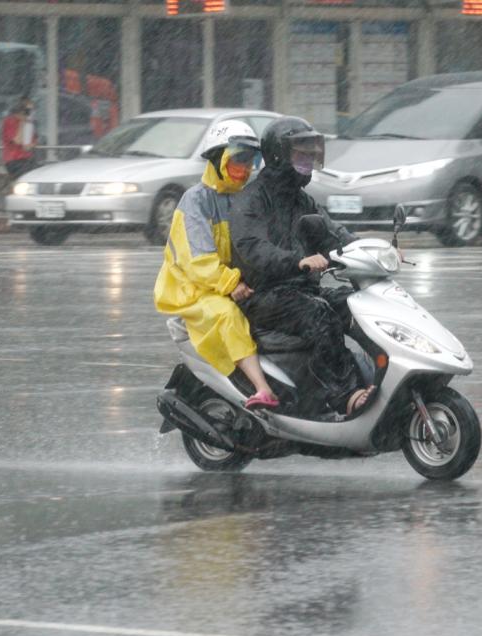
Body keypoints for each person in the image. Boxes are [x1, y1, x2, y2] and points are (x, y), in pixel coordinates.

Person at [229, 116, 374, 417]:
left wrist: (373, 250)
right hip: (265, 296)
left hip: (301, 290)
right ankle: (344, 396)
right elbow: (253, 248)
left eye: (311, 152)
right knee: (320, 315)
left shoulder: (301, 201)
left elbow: (334, 234)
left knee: (358, 305)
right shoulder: (252, 199)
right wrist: (297, 262)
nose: (308, 159)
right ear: (279, 154)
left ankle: (378, 382)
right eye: (301, 152)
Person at [154, 120, 279, 410]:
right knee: (227, 316)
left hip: (229, 282)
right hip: (192, 291)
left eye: (250, 162)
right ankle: (262, 389)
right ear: (216, 159)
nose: (245, 169)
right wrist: (231, 283)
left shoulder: (244, 199)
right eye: (238, 161)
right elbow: (199, 261)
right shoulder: (195, 201)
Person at [2, 96, 38, 182]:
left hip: (27, 159)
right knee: (23, 181)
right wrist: (22, 123)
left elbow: (28, 147)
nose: (30, 113)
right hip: (14, 160)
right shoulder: (10, 121)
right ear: (21, 110)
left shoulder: (29, 124)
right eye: (28, 111)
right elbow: (17, 141)